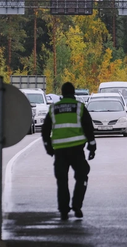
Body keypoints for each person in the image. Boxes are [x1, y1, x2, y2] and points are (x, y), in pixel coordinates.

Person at [41, 82, 96, 220]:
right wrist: (92, 146)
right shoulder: (79, 107)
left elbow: (45, 129)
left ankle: (64, 210)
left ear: (62, 93)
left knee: (62, 181)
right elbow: (89, 128)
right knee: (82, 176)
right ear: (73, 93)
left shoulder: (53, 109)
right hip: (77, 150)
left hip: (59, 152)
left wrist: (48, 147)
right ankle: (77, 205)